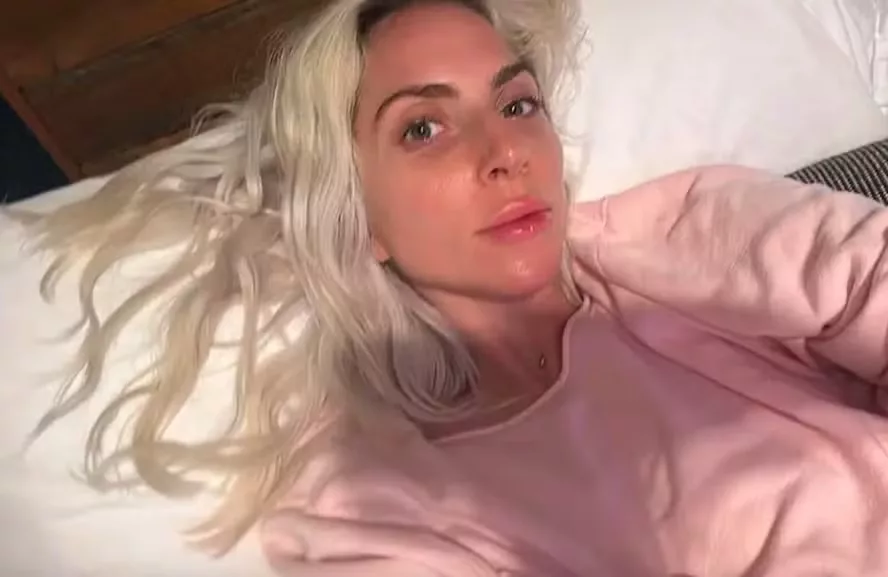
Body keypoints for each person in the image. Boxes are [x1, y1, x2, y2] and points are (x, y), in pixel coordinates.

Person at [25, 0, 888, 574]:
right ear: (355, 208)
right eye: (424, 127)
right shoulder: (368, 506)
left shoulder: (691, 231)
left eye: (517, 105)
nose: (504, 152)